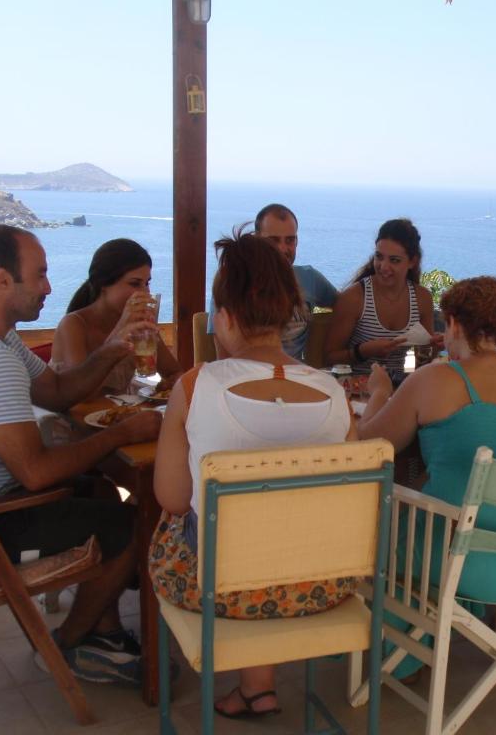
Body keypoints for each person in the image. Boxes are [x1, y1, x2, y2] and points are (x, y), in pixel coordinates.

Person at [0, 224, 162, 684]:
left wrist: (114, 346)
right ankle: (68, 645)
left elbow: (58, 393)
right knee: (129, 524)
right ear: (2, 280)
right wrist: (121, 435)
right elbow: (37, 472)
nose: (49, 287)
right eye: (38, 276)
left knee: (101, 490)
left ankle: (105, 630)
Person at [150, 226, 355, 719]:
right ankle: (256, 688)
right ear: (288, 315)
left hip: (220, 588)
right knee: (282, 529)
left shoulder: (197, 385)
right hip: (321, 586)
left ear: (223, 316)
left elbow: (173, 498)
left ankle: (242, 687)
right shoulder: (334, 392)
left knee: (184, 525)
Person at [356, 276, 496, 674]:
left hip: (465, 560)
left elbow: (368, 446)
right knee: (443, 503)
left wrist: (379, 392)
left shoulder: (434, 379)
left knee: (380, 526)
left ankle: (404, 652)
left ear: (453, 322)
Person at [207, 203, 338, 362]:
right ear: (257, 239)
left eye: (290, 240)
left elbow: (346, 306)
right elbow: (224, 358)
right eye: (273, 241)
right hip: (244, 376)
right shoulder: (233, 282)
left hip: (295, 377)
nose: (282, 249)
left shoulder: (310, 279)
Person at [51, 238, 181, 395]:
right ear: (103, 284)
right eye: (135, 283)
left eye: (147, 283)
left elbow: (175, 373)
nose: (145, 293)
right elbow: (82, 395)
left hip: (116, 414)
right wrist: (120, 330)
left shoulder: (139, 325)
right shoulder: (73, 325)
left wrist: (166, 387)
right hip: (70, 417)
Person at [325, 218, 437, 377]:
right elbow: (330, 358)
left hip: (402, 390)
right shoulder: (355, 298)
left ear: (412, 262)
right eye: (379, 257)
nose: (384, 266)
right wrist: (362, 352)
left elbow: (422, 361)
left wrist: (434, 347)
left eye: (394, 260)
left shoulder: (422, 299)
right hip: (360, 391)